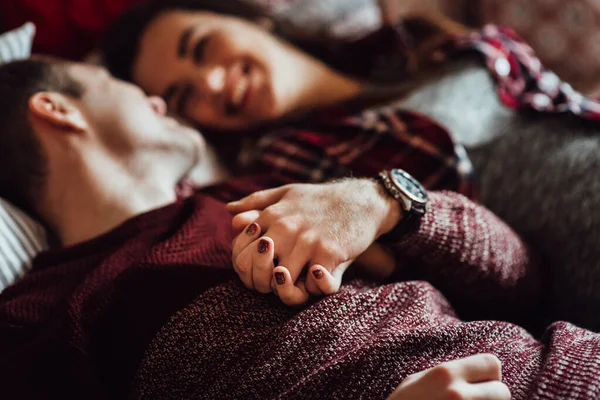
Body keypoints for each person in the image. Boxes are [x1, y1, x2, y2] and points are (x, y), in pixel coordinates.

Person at [0, 58, 599, 400]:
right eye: (122, 86)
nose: (158, 101)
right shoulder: (36, 317)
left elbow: (522, 279)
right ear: (57, 108)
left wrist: (385, 201)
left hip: (561, 368)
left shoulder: (261, 190)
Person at [102, 0, 600, 330]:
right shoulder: (292, 172)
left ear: (253, 18)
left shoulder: (410, 44)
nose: (211, 84)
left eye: (202, 46)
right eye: (184, 96)